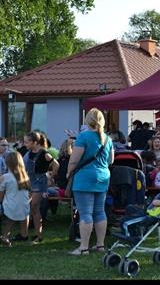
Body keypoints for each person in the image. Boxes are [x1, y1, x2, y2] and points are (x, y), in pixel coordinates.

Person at [66, 108, 114, 255]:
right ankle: (100, 245)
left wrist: (68, 173)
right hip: (103, 177)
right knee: (100, 212)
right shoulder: (107, 138)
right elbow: (111, 160)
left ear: (87, 121)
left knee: (85, 213)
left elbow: (74, 160)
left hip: (85, 178)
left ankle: (84, 247)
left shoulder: (83, 136)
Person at [22, 131, 60, 244]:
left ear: (35, 142)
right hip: (30, 182)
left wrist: (50, 177)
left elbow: (56, 165)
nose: (25, 144)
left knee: (34, 207)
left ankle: (39, 235)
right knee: (29, 208)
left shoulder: (44, 153)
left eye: (27, 142)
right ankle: (29, 234)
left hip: (39, 182)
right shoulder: (29, 153)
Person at [0, 152, 31, 247]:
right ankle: (24, 233)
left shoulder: (5, 177)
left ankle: (4, 236)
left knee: (11, 217)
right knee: (21, 214)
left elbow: (0, 197)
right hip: (25, 206)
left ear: (7, 163)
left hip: (11, 207)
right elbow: (29, 194)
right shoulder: (25, 177)